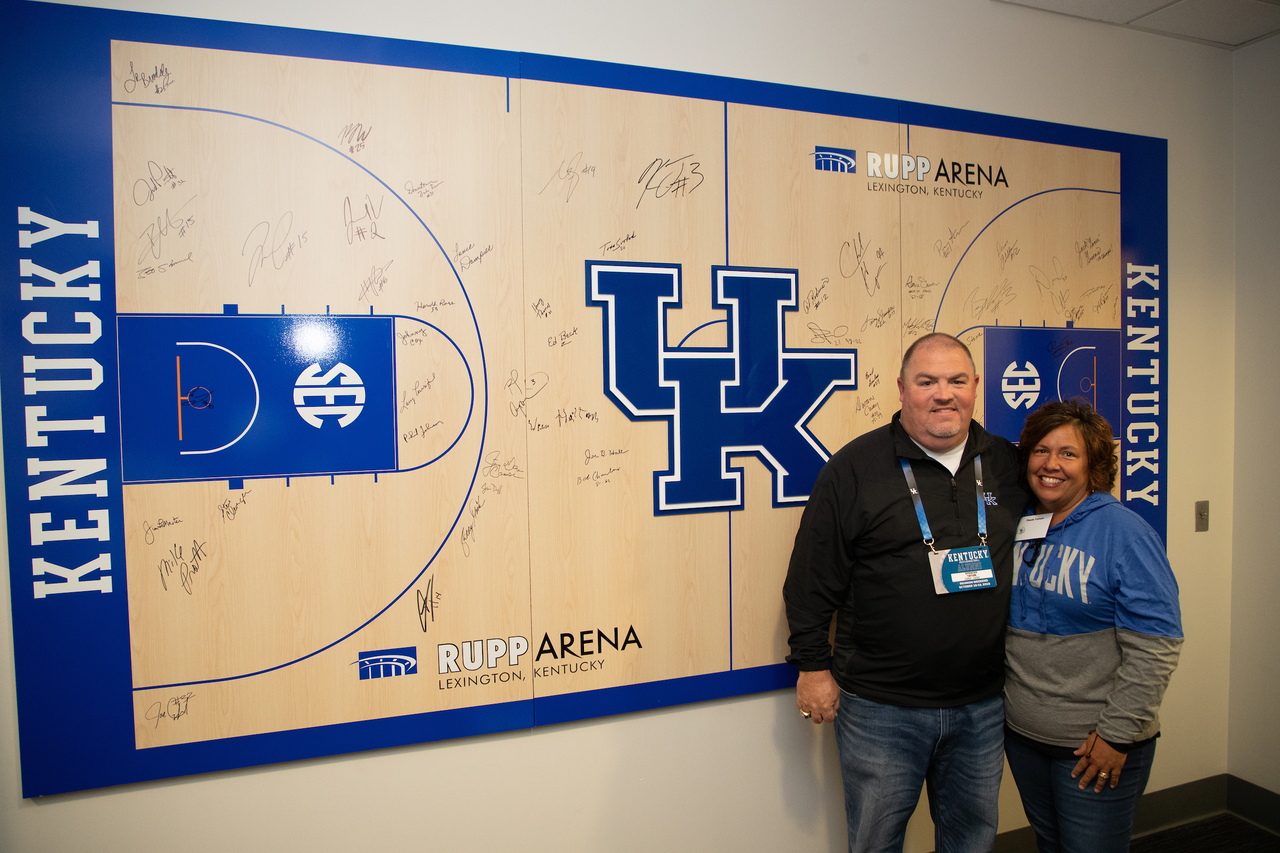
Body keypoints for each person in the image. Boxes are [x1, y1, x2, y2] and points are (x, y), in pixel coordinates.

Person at [784, 333, 1031, 853]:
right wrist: (811, 667)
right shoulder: (855, 468)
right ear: (901, 389)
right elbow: (810, 578)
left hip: (983, 703)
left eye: (957, 380)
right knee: (876, 842)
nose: (944, 394)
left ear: (975, 386)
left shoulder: (1008, 464)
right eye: (927, 381)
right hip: (881, 707)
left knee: (971, 840)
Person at [1005, 400, 1182, 853]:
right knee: (1050, 844)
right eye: (1041, 450)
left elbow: (1157, 645)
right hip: (1025, 738)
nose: (1051, 464)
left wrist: (1116, 735)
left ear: (1093, 465)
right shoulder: (1021, 522)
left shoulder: (1125, 533)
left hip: (1094, 743)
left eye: (1068, 453)